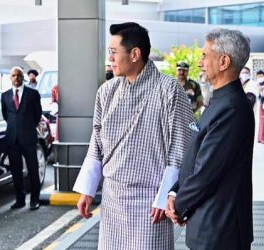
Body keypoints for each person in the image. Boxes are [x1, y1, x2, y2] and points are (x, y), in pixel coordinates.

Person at [73, 22, 193, 250]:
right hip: (113, 197)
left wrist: (165, 197)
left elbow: (181, 145)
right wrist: (88, 190)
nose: (109, 58)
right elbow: (96, 142)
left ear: (135, 54)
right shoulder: (106, 92)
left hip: (150, 200)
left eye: (113, 52)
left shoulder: (169, 89)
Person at [166, 28, 254, 250]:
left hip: (219, 229)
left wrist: (178, 205)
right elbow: (196, 155)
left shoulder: (231, 108)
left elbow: (206, 172)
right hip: (209, 222)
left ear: (224, 61)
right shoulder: (221, 101)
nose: (200, 62)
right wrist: (175, 191)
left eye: (205, 55)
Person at [1, 67, 42, 210]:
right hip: (12, 139)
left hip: (28, 138)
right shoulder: (5, 96)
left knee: (33, 170)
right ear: (10, 78)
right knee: (16, 171)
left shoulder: (33, 94)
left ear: (22, 77)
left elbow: (37, 114)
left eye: (18, 75)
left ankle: (35, 200)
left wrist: (28, 127)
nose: (16, 78)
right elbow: (7, 116)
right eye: (13, 75)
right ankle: (20, 200)